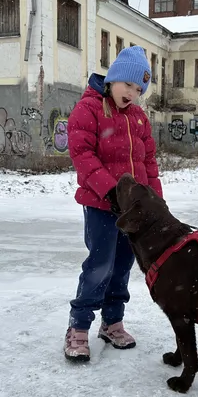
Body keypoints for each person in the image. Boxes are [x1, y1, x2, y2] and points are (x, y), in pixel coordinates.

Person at [64, 45, 162, 362]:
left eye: (139, 89)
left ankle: (112, 322)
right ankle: (78, 328)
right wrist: (109, 191)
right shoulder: (89, 109)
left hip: (132, 211)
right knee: (100, 265)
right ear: (114, 78)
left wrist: (155, 202)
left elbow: (148, 162)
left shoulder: (138, 118)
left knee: (122, 266)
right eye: (129, 85)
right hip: (101, 206)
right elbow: (83, 155)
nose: (133, 93)